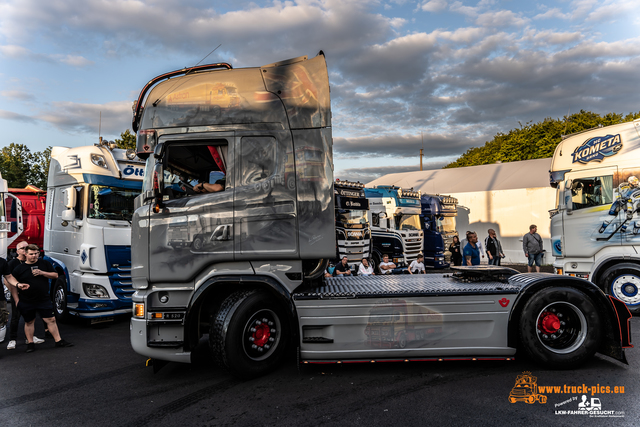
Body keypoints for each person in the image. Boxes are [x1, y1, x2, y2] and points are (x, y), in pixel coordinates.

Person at [12, 244, 73, 352]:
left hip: (43, 298)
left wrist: (42, 273)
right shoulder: (19, 268)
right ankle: (30, 344)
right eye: (31, 254)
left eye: (36, 254)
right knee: (29, 321)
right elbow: (11, 283)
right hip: (27, 299)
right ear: (25, 254)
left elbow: (55, 275)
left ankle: (58, 341)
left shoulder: (44, 263)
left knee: (51, 319)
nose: (34, 256)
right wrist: (16, 299)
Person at [6, 241, 46, 350]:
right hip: (18, 294)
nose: (25, 250)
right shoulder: (12, 264)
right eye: (22, 248)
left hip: (31, 295)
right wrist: (14, 291)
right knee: (16, 316)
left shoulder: (33, 263)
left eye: (26, 248)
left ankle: (30, 338)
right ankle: (12, 340)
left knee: (30, 318)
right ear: (17, 251)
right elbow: (7, 279)